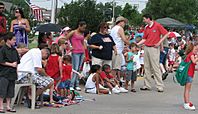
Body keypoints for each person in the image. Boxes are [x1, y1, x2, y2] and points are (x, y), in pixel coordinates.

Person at [137, 14, 169, 92]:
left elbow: (166, 34)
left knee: (155, 67)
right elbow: (144, 39)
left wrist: (159, 42)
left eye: (144, 19)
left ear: (148, 19)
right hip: (146, 47)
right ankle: (147, 85)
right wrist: (137, 44)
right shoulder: (146, 28)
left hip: (154, 48)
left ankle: (160, 85)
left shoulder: (157, 25)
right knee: (146, 67)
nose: (143, 21)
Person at [0, 32, 20, 113]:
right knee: (2, 90)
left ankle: (8, 106)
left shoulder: (14, 50)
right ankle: (1, 106)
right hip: (4, 73)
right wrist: (11, 64)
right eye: (13, 40)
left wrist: (16, 70)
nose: (15, 41)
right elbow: (1, 61)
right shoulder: (2, 50)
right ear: (8, 40)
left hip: (12, 73)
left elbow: (17, 61)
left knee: (10, 91)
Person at [66, 20, 87, 91]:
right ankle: (72, 84)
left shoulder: (82, 34)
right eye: (83, 27)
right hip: (75, 51)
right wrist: (70, 46)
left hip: (81, 51)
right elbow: (66, 39)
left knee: (79, 68)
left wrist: (84, 53)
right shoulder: (73, 32)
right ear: (79, 26)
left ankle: (76, 84)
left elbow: (82, 42)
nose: (84, 29)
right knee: (75, 68)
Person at [110, 16, 131, 82]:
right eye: (124, 22)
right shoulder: (120, 28)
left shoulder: (113, 29)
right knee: (117, 68)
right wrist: (131, 44)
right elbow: (124, 39)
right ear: (121, 22)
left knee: (115, 67)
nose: (124, 24)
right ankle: (114, 82)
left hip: (114, 49)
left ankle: (116, 80)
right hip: (118, 50)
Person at [183, 42, 198, 110]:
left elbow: (192, 65)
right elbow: (194, 61)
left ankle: (186, 102)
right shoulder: (191, 54)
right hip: (189, 74)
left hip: (189, 74)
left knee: (187, 89)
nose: (196, 51)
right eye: (196, 49)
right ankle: (187, 103)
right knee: (187, 89)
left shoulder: (190, 54)